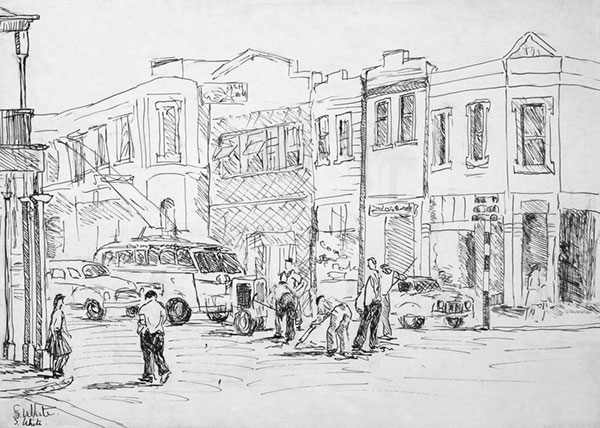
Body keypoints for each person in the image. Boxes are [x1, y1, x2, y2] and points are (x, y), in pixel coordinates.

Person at [137, 290, 171, 384]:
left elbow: (142, 322)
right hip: (159, 333)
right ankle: (164, 370)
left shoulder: (143, 308)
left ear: (147, 297)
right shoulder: (161, 307)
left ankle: (149, 374)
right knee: (158, 354)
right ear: (155, 297)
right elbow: (164, 319)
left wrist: (140, 330)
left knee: (148, 355)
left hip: (147, 334)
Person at [352, 257, 382, 352]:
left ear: (374, 264)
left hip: (371, 304)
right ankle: (373, 343)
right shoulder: (378, 275)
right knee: (374, 324)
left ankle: (359, 342)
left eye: (370, 264)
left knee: (365, 323)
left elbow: (371, 291)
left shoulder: (373, 276)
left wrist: (366, 304)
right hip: (377, 302)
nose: (368, 265)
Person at [45, 294, 72, 378]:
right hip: (55, 335)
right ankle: (56, 370)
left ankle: (58, 369)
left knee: (65, 354)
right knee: (57, 355)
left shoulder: (61, 313)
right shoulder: (55, 313)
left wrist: (67, 333)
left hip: (59, 334)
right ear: (57, 302)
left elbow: (63, 326)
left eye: (62, 301)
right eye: (61, 301)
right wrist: (52, 336)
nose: (62, 303)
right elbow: (52, 326)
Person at [379, 264, 405, 339]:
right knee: (384, 315)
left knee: (384, 314)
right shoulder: (381, 274)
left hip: (385, 296)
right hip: (381, 295)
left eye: (385, 269)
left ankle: (387, 332)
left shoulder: (393, 273)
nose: (385, 271)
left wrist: (402, 276)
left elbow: (403, 277)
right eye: (384, 269)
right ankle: (386, 332)